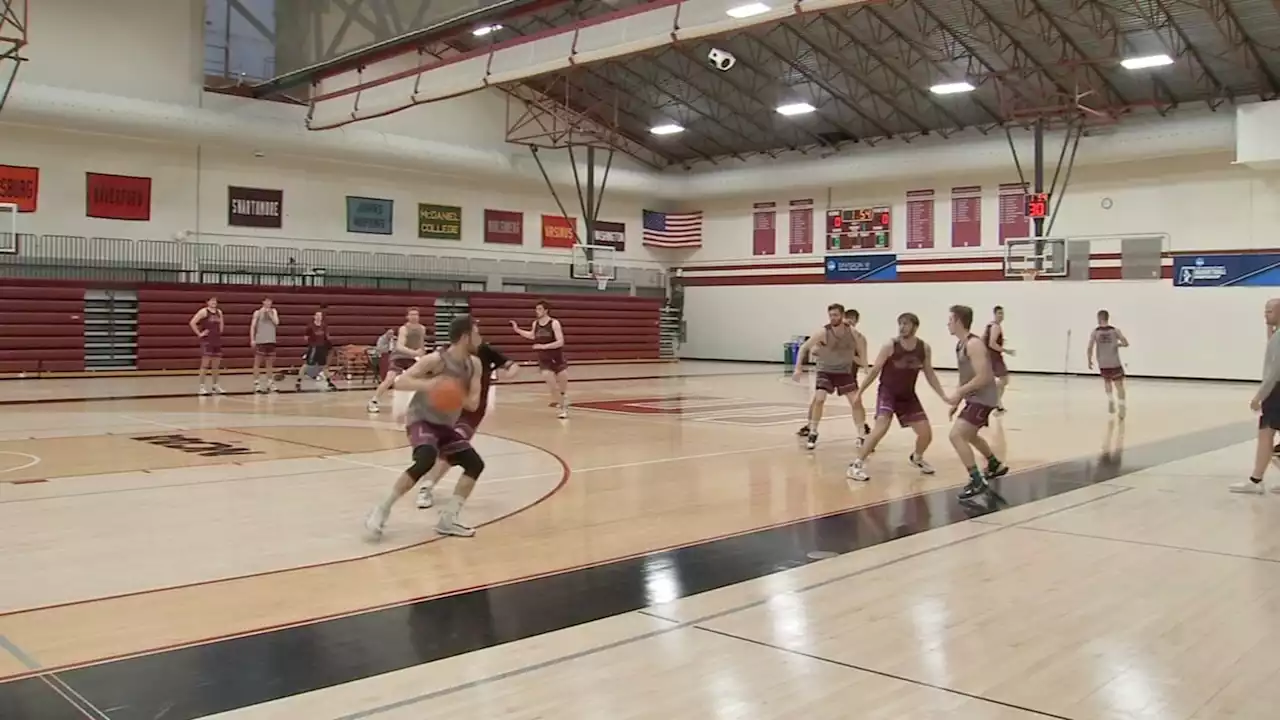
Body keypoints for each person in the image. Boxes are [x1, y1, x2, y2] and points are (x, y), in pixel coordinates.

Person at [365, 314, 486, 538]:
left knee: (475, 464)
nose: (480, 337)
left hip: (445, 425)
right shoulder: (436, 360)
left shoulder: (474, 365)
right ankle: (381, 509)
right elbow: (401, 382)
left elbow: (473, 404)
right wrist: (432, 384)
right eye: (477, 333)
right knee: (426, 458)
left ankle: (448, 519)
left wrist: (453, 393)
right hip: (421, 419)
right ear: (465, 336)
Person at [846, 312, 949, 482]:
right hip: (888, 392)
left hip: (908, 395)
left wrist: (943, 395)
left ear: (915, 327)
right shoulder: (890, 345)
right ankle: (856, 465)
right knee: (881, 428)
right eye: (900, 323)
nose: (902, 327)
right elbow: (875, 370)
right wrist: (860, 392)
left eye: (906, 324)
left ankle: (917, 458)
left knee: (926, 434)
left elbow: (929, 374)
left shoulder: (924, 348)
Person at [416, 342, 520, 509]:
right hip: (449, 408)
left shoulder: (485, 350)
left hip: (472, 412)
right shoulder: (448, 353)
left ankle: (426, 487)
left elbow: (512, 365)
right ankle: (426, 482)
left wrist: (510, 374)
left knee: (454, 447)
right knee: (443, 449)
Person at [945, 304, 1009, 500]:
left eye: (950, 320)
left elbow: (984, 376)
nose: (947, 323)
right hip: (975, 397)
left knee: (956, 436)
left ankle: (977, 480)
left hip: (983, 398)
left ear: (958, 321)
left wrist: (960, 392)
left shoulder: (974, 344)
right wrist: (957, 401)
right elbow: (966, 377)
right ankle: (993, 464)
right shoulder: (961, 345)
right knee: (969, 435)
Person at [792, 303, 868, 450]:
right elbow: (805, 347)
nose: (833, 318)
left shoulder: (852, 332)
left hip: (844, 372)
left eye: (836, 315)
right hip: (825, 370)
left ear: (842, 316)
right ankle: (813, 431)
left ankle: (861, 434)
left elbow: (862, 344)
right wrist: (798, 368)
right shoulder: (823, 332)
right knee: (819, 399)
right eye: (831, 315)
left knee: (856, 401)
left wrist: (865, 365)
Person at [1232, 298, 1280, 495]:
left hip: (1276, 391)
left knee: (1265, 434)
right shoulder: (1276, 335)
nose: (1265, 314)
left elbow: (1274, 371)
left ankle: (1256, 480)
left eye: (1270, 311)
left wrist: (1259, 396)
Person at [511, 299, 568, 419]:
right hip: (544, 359)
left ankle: (562, 398)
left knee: (563, 384)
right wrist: (517, 330)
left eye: (539, 309)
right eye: (536, 309)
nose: (537, 311)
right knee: (552, 385)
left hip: (557, 357)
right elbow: (532, 335)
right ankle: (562, 408)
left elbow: (560, 342)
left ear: (546, 310)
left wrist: (543, 346)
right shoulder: (535, 323)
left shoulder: (554, 323)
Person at [367, 308, 427, 414]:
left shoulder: (422, 329)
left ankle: (420, 405)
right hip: (399, 357)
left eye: (416, 314)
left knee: (423, 379)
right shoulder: (404, 329)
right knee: (389, 379)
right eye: (412, 314)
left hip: (412, 359)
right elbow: (399, 346)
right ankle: (373, 401)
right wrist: (414, 353)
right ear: (407, 317)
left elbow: (420, 345)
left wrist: (422, 354)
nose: (414, 317)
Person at [1086, 310, 1129, 417]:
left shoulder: (1095, 332)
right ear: (1107, 318)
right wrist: (1118, 345)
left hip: (1103, 362)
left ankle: (1110, 400)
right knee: (1119, 385)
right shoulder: (1115, 331)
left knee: (1107, 382)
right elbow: (1125, 343)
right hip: (1114, 361)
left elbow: (1090, 347)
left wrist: (1089, 360)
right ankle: (1122, 406)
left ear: (1098, 318)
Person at [188, 297, 225, 395]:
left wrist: (219, 332)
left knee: (216, 366)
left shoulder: (219, 312)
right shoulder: (203, 312)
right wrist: (199, 334)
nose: (214, 302)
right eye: (211, 301)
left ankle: (215, 385)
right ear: (207, 302)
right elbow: (192, 323)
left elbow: (221, 325)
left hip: (216, 340)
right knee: (205, 365)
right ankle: (201, 387)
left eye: (215, 301)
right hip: (207, 341)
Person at [296, 309, 337, 392]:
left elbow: (327, 337)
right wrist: (311, 344)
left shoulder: (324, 326)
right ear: (314, 317)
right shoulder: (310, 327)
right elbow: (306, 337)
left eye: (320, 315)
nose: (319, 317)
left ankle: (329, 382)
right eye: (317, 315)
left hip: (322, 348)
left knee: (324, 366)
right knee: (307, 365)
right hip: (313, 348)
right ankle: (298, 382)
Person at [983, 305, 1014, 414]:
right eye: (999, 313)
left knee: (1003, 380)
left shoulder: (990, 325)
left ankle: (998, 405)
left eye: (1002, 313)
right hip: (994, 357)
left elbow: (986, 340)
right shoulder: (996, 327)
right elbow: (991, 343)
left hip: (990, 356)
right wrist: (1006, 350)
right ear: (995, 314)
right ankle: (991, 398)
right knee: (1004, 379)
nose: (1001, 316)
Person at [249, 298, 279, 394]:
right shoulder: (257, 312)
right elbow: (253, 326)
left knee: (269, 364)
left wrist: (270, 314)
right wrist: (252, 339)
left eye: (270, 301)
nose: (268, 303)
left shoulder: (274, 311)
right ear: (263, 302)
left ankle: (270, 383)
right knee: (257, 363)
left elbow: (277, 322)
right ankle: (256, 383)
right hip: (261, 340)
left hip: (271, 340)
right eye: (266, 301)